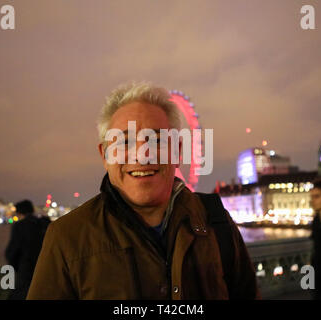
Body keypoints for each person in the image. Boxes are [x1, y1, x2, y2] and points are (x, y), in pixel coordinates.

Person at [27, 82, 258, 300]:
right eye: (124, 142)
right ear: (105, 155)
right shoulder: (67, 237)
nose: (142, 154)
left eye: (156, 140)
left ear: (177, 151)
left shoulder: (216, 220)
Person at [5, 199, 50, 300]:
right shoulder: (44, 223)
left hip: (27, 272)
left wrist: (16, 266)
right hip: (45, 272)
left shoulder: (20, 226)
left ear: (19, 212)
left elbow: (12, 252)